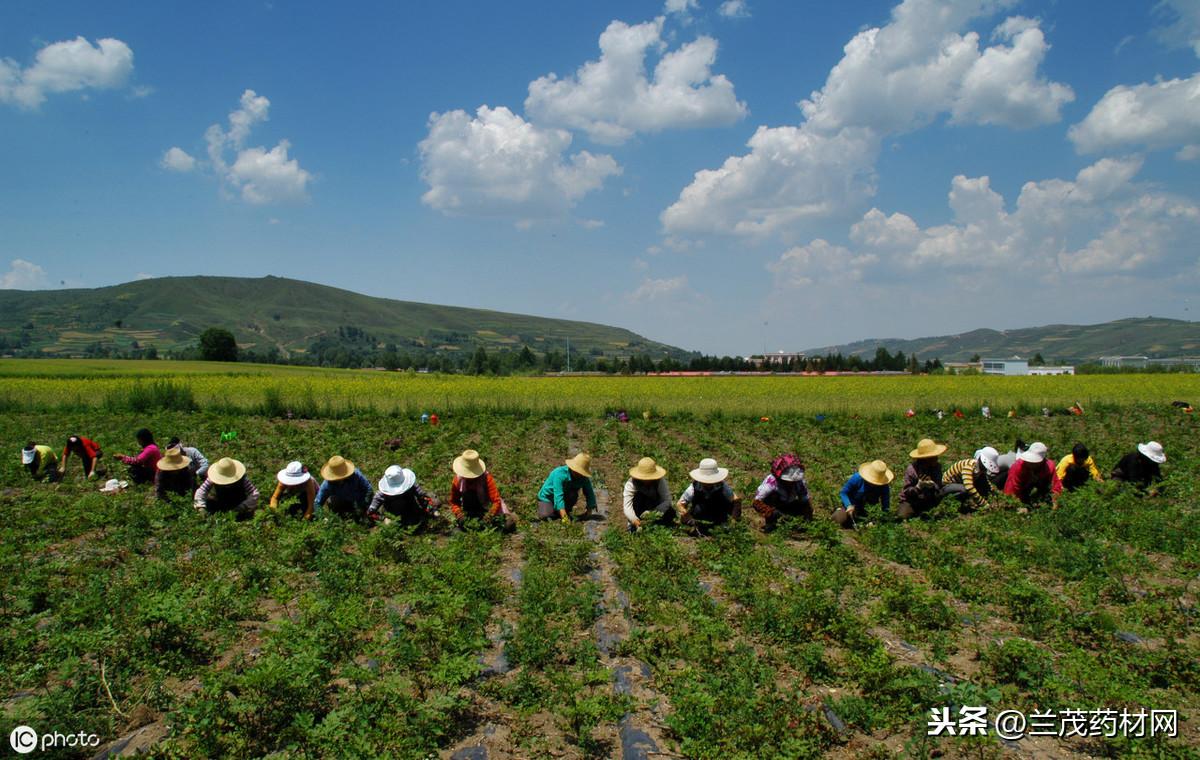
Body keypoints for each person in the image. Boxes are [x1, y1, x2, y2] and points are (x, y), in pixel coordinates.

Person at [448, 449, 516, 532]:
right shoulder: (458, 480)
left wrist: (489, 516)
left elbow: (496, 501)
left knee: (507, 525)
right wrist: (459, 514)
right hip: (469, 510)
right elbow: (454, 501)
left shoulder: (486, 478)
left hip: (486, 508)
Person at [677, 458, 741, 534]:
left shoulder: (722, 486)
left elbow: (736, 500)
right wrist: (686, 515)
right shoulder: (694, 487)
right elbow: (680, 504)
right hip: (699, 513)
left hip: (719, 513)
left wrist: (734, 520)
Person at [751, 453, 812, 530]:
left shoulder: (799, 483)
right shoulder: (771, 483)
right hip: (774, 506)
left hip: (788, 504)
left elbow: (805, 501)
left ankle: (795, 524)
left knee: (802, 507)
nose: (790, 482)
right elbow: (757, 502)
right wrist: (770, 512)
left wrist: (808, 519)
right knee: (772, 500)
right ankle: (771, 524)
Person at [368, 465, 441, 528]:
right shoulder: (381, 494)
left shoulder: (411, 484)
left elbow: (422, 497)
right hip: (394, 514)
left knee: (435, 502)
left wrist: (432, 510)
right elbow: (371, 512)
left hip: (412, 507)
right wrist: (383, 519)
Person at [537, 453, 597, 523]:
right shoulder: (559, 474)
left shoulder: (583, 478)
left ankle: (561, 511)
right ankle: (559, 512)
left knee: (573, 494)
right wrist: (565, 518)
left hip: (566, 496)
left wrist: (589, 510)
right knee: (545, 516)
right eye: (577, 472)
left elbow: (589, 492)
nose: (579, 474)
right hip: (548, 497)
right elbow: (558, 496)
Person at [897, 438, 948, 519]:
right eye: (933, 456)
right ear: (925, 458)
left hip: (930, 498)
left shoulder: (937, 467)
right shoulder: (912, 470)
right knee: (902, 516)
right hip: (912, 500)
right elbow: (906, 491)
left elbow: (939, 485)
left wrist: (932, 485)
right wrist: (918, 487)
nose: (937, 458)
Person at [834, 460, 893, 528]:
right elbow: (843, 493)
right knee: (838, 518)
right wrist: (848, 505)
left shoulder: (884, 486)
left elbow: (885, 506)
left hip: (868, 510)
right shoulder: (857, 478)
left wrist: (879, 519)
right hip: (852, 507)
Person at [194, 457, 259, 518]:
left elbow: (254, 493)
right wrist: (200, 507)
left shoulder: (242, 479)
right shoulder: (212, 479)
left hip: (238, 502)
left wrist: (243, 506)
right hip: (220, 503)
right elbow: (201, 491)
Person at [622, 457, 674, 532]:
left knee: (670, 512)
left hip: (655, 507)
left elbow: (667, 500)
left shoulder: (660, 481)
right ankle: (636, 526)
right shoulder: (631, 483)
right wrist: (634, 520)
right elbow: (627, 507)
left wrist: (653, 513)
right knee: (638, 497)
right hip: (638, 509)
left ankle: (658, 524)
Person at [1003, 442, 1061, 508]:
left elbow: (1056, 486)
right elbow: (1011, 490)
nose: (1030, 463)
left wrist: (1054, 500)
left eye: (1034, 462)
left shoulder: (1049, 466)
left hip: (1040, 486)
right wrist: (1018, 505)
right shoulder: (1018, 467)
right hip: (1023, 487)